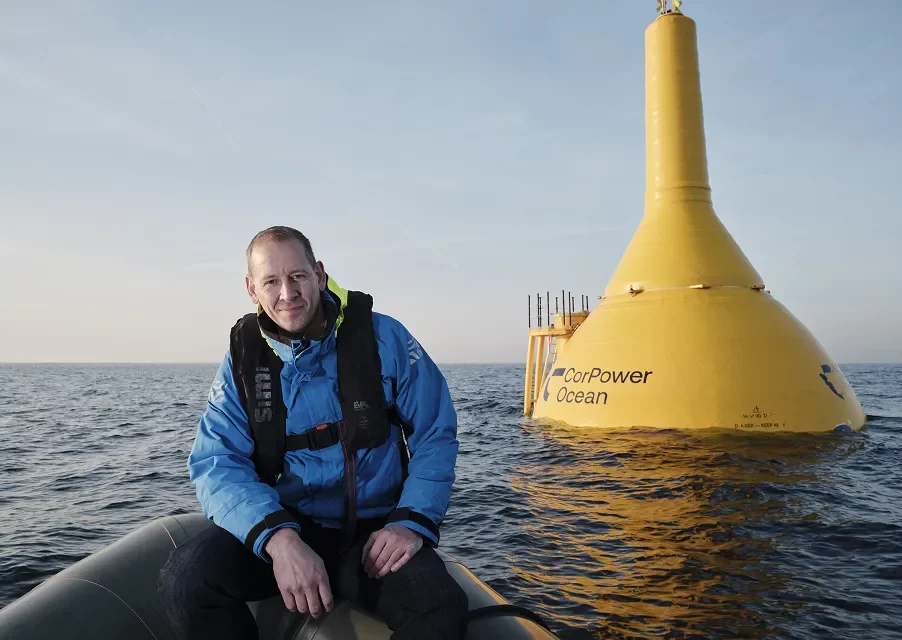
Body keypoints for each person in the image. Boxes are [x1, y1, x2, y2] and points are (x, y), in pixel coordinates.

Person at [158, 226, 468, 639]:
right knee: (186, 579)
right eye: (271, 281)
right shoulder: (242, 364)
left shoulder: (386, 338)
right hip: (289, 528)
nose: (287, 293)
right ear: (252, 289)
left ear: (319, 274)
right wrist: (280, 540)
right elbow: (217, 462)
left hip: (373, 536)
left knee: (440, 604)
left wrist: (410, 522)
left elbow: (435, 434)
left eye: (297, 276)